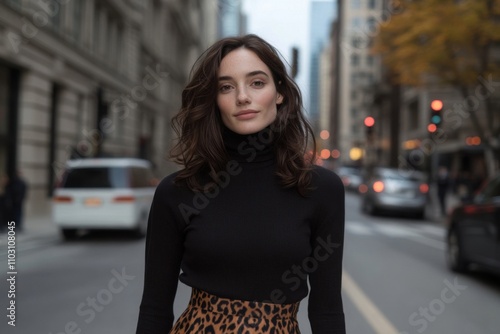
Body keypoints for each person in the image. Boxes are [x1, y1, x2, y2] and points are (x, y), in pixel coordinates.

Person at [136, 34, 346, 334]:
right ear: (214, 99)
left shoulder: (320, 189)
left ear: (280, 92)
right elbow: (155, 309)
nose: (242, 97)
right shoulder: (177, 191)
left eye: (257, 83)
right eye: (226, 87)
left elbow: (327, 311)